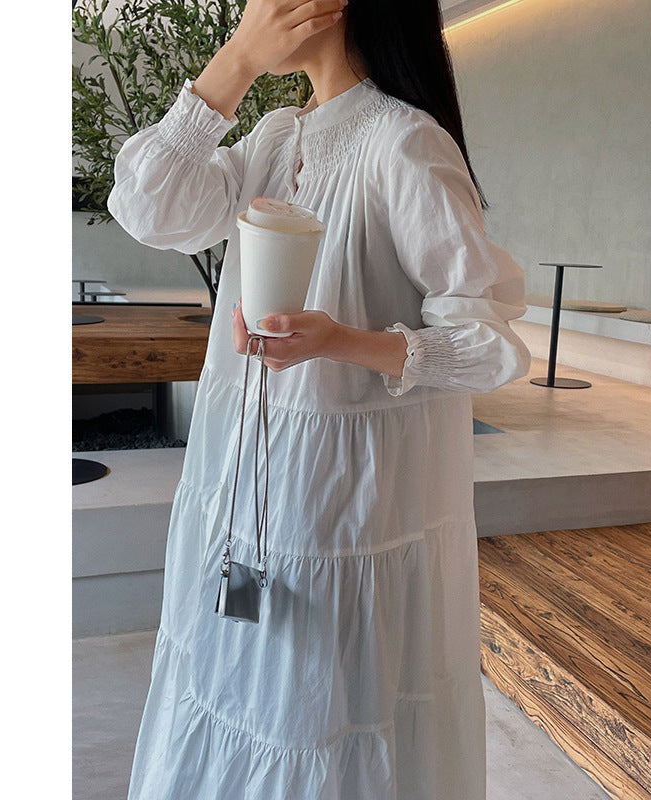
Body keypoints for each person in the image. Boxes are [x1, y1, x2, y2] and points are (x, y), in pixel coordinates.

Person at [107, 0, 532, 797]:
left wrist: (339, 341)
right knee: (235, 695)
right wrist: (232, 63)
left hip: (341, 510)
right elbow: (149, 208)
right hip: (242, 494)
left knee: (321, 723)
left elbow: (494, 343)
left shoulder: (402, 141)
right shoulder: (275, 135)